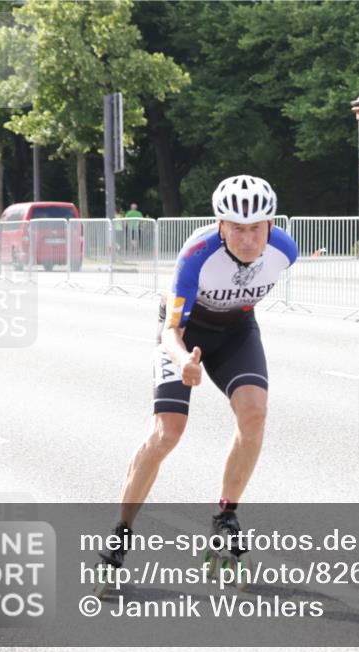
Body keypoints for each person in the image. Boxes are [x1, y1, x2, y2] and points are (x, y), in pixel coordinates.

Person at [97, 175, 297, 575]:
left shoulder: (285, 251)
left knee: (255, 413)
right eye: (237, 228)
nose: (247, 238)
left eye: (256, 227)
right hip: (185, 333)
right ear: (220, 225)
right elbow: (171, 329)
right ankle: (121, 532)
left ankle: (226, 516)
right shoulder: (196, 254)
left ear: (271, 225)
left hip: (236, 331)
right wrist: (185, 360)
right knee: (167, 433)